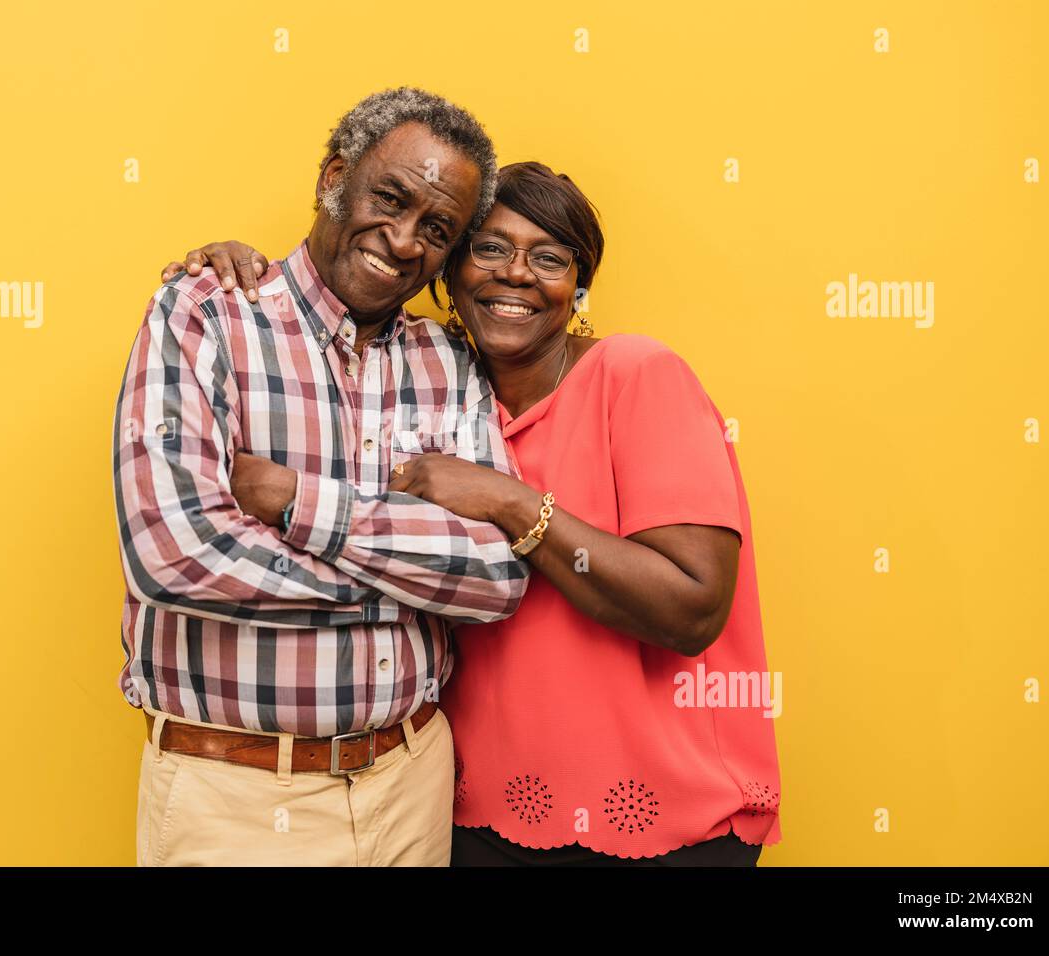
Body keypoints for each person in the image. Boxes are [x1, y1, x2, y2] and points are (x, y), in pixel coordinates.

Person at [164, 162, 782, 866]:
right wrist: (245, 274)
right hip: (471, 814)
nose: (515, 274)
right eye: (489, 248)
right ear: (448, 274)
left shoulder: (635, 375)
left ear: (578, 288)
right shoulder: (431, 387)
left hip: (658, 820)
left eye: (548, 257)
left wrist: (509, 501)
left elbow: (692, 611)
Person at [113, 87, 531, 867]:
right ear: (334, 177)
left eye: (436, 229)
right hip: (234, 796)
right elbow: (173, 553)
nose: (404, 240)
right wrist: (402, 583)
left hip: (413, 781)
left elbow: (499, 576)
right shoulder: (205, 314)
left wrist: (301, 507)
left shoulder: (448, 359)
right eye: (389, 198)